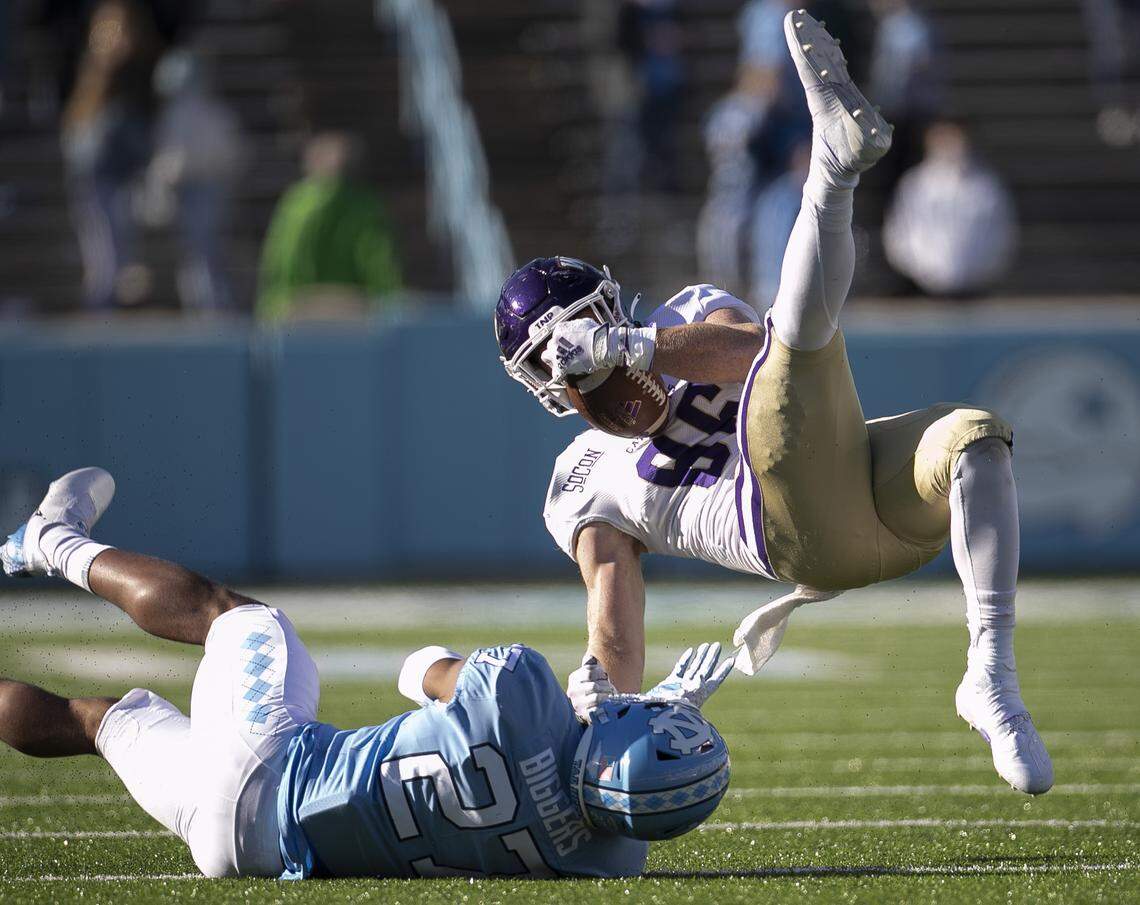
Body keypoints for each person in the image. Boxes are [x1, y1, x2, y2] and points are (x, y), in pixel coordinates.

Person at [494, 12, 1052, 796]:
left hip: (867, 494)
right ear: (543, 378)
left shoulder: (681, 315)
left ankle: (989, 677)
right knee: (785, 404)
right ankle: (836, 169)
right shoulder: (581, 476)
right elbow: (614, 627)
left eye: (600, 322)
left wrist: (634, 348)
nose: (595, 345)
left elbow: (748, 346)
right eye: (574, 343)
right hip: (792, 530)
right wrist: (598, 692)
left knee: (976, 438)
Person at [0, 468, 732, 879]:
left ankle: (52, 541)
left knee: (239, 617)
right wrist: (607, 725)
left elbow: (418, 672)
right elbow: (597, 786)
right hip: (237, 851)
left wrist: (574, 705)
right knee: (94, 721)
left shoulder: (521, 695)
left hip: (271, 757)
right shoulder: (609, 860)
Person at [257, 132, 402, 322]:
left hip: (294, 309)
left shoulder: (295, 202)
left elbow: (282, 261)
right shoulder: (365, 204)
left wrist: (276, 304)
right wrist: (390, 301)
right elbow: (379, 261)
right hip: (352, 312)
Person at [883, 120, 1017, 297]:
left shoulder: (986, 185)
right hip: (924, 288)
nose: (949, 145)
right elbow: (897, 233)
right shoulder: (914, 184)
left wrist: (982, 272)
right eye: (943, 138)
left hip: (975, 290)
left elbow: (1003, 233)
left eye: (954, 138)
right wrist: (922, 272)